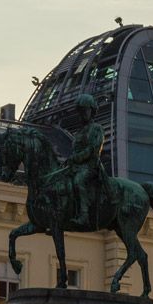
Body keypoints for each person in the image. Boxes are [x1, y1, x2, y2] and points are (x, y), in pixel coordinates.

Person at [65, 94, 108, 229]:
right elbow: (75, 150)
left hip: (91, 166)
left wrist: (76, 158)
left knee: (78, 181)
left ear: (92, 111)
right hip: (77, 166)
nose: (83, 114)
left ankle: (84, 216)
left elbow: (93, 149)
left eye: (85, 110)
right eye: (81, 111)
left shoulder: (96, 128)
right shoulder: (79, 132)